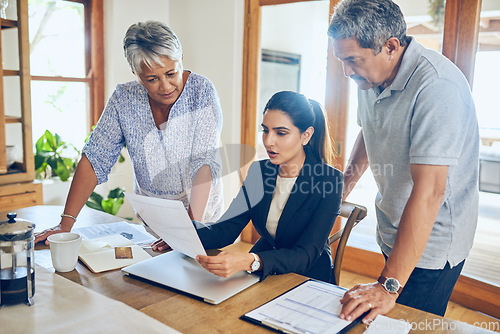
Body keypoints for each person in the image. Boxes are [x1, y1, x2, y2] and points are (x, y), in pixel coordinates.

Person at [328, 0, 479, 323]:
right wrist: (342, 188)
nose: (346, 71)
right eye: (342, 60)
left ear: (391, 47)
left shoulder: (437, 87)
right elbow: (368, 131)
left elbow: (430, 193)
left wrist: (387, 285)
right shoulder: (370, 76)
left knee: (408, 327)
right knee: (382, 324)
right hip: (393, 225)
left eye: (352, 60)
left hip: (434, 243)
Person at [34, 21, 224, 249]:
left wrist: (190, 231)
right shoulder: (123, 99)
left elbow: (203, 165)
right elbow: (95, 158)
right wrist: (65, 225)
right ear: (136, 72)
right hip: (153, 221)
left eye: (171, 73)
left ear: (181, 57)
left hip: (200, 221)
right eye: (152, 79)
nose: (165, 86)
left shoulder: (201, 92)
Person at [194, 91, 343, 282]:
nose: (268, 141)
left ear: (306, 135)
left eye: (281, 133)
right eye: (265, 130)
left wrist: (251, 260)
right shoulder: (260, 172)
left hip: (306, 277)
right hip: (264, 270)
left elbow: (305, 254)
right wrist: (181, 233)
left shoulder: (329, 180)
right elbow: (227, 228)